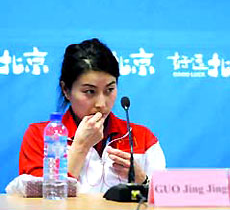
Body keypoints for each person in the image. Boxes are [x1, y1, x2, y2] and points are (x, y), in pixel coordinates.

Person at [19, 38, 166, 193]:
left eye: (109, 90)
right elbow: (37, 202)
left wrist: (142, 180)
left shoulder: (141, 137)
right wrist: (80, 148)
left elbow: (165, 200)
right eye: (90, 91)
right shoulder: (41, 135)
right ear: (66, 90)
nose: (101, 104)